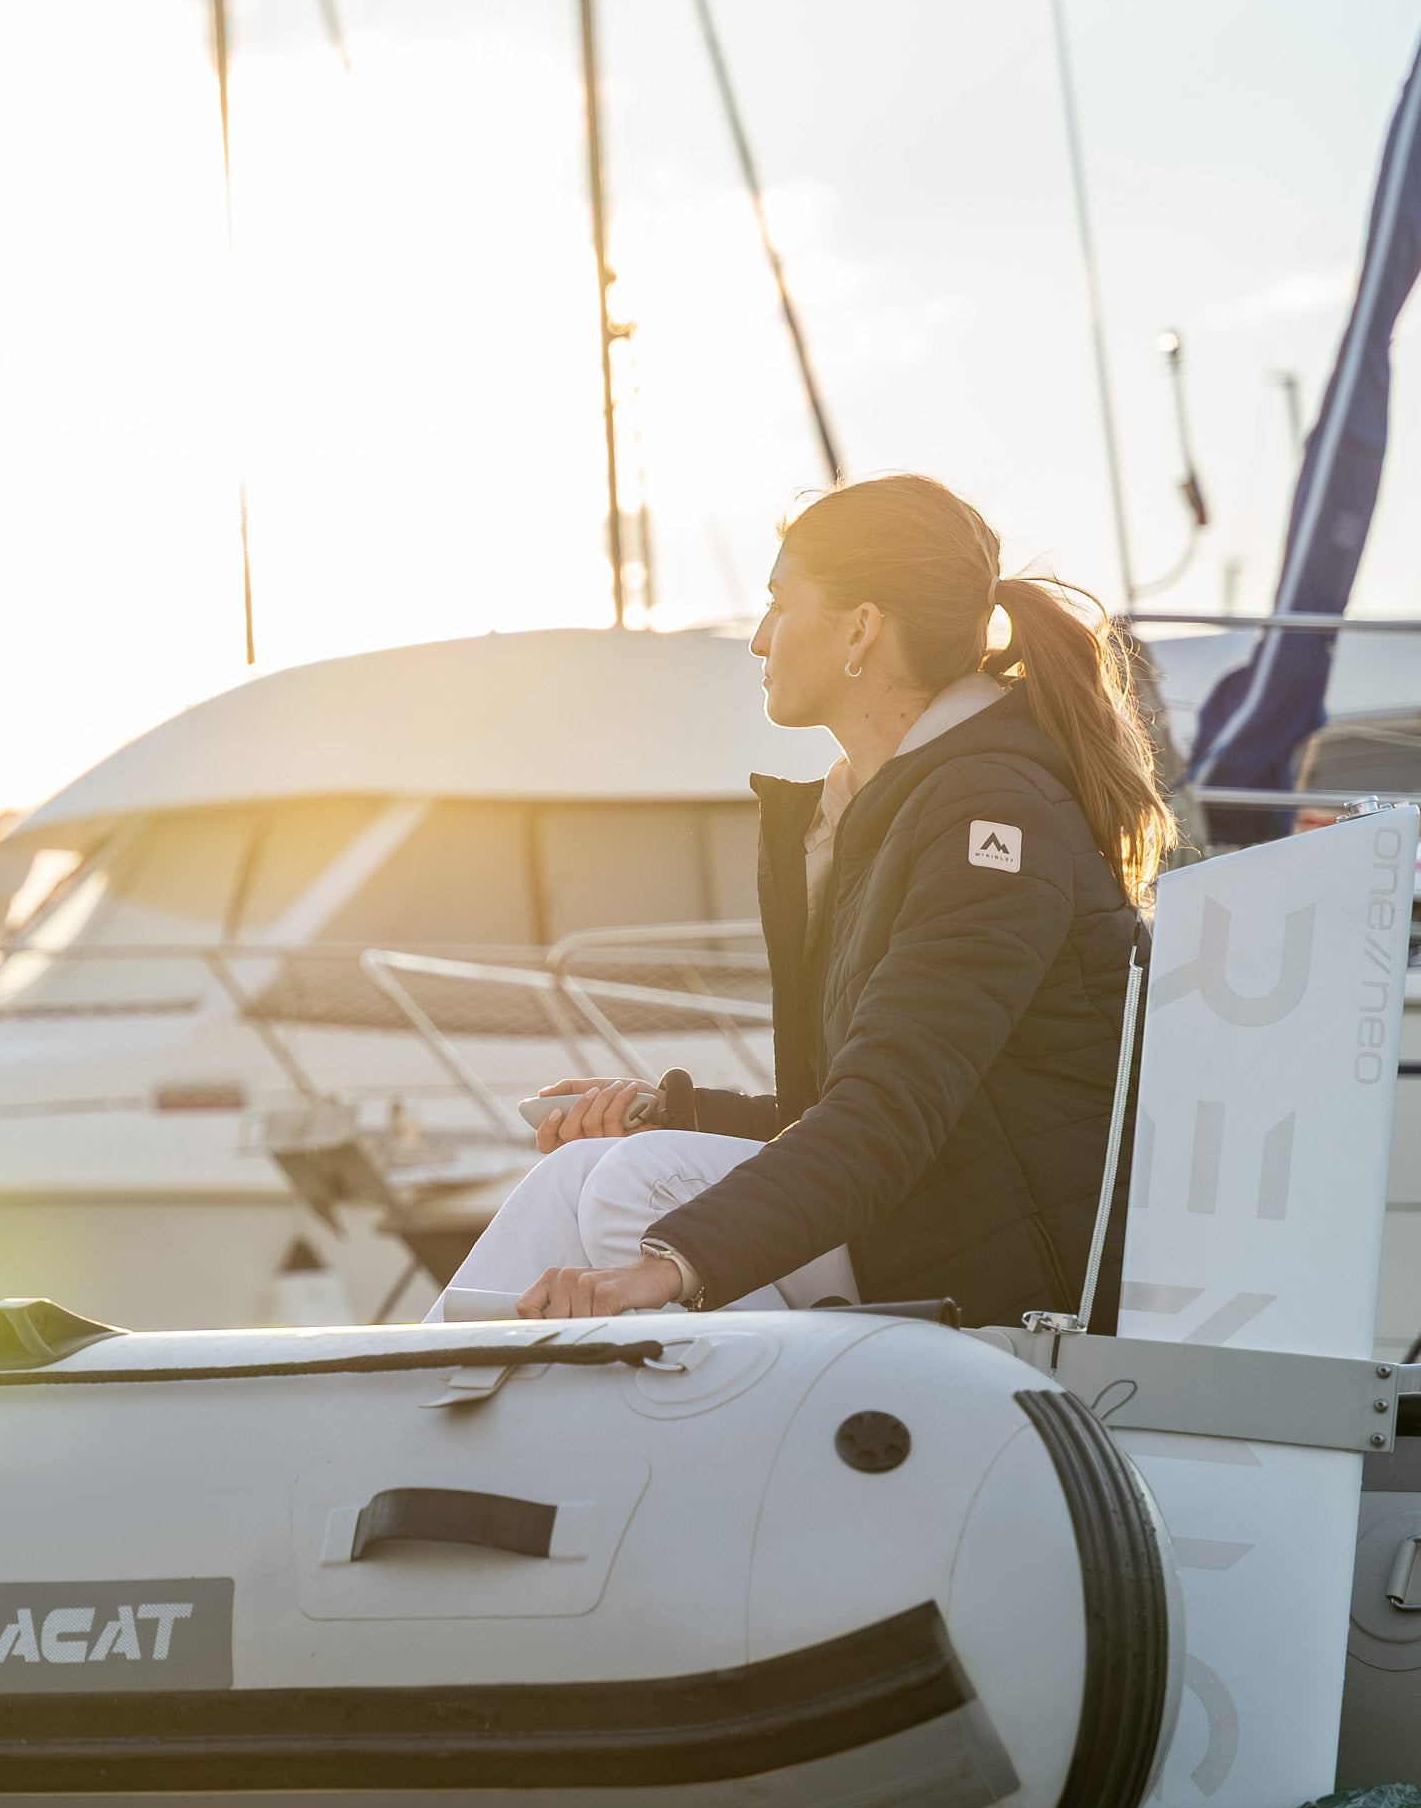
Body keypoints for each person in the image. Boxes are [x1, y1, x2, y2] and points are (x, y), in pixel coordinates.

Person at [458, 472, 1171, 1323]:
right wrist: (668, 1111)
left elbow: (889, 1114)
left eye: (778, 604)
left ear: (861, 628)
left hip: (1004, 1285)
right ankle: (402, 1408)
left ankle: (757, 1451)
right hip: (914, 1224)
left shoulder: (993, 816)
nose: (758, 639)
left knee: (637, 1185)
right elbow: (845, 1110)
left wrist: (671, 1266)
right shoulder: (879, 812)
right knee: (585, 1166)